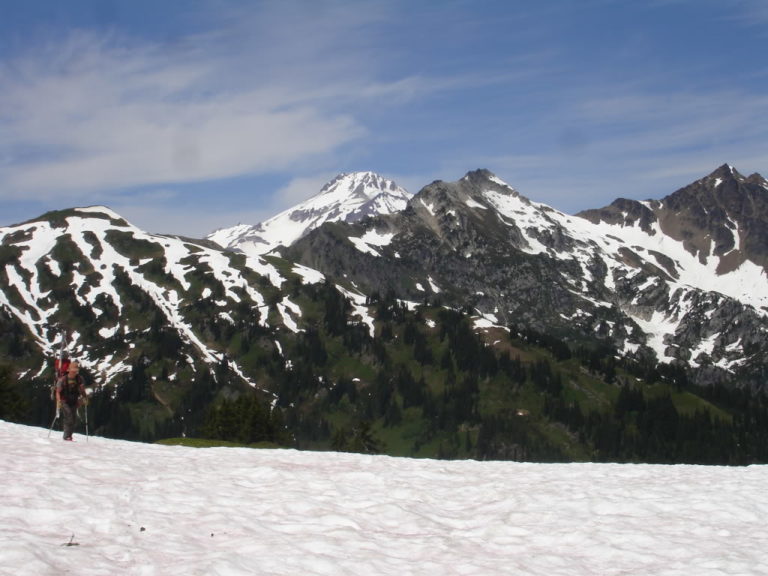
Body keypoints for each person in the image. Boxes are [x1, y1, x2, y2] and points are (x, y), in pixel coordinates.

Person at [55, 361, 87, 441]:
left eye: (75, 371)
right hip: (64, 401)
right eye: (73, 371)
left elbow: (82, 390)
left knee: (73, 419)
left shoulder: (79, 379)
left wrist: (84, 397)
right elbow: (58, 392)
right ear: (68, 370)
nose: (74, 373)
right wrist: (58, 401)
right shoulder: (63, 380)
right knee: (69, 417)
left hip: (74, 401)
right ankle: (66, 436)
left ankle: (69, 436)